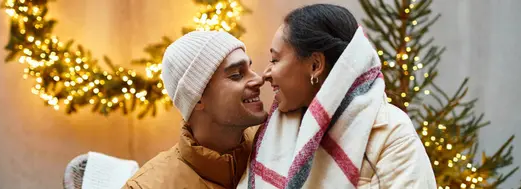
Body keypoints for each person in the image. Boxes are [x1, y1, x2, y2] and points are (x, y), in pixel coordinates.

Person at [238, 4, 436, 189]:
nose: (265, 73)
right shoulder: (272, 132)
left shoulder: (393, 134)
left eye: (275, 59)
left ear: (315, 65)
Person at [123, 31, 267, 189]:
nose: (259, 80)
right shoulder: (145, 187)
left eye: (250, 68)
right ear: (197, 97)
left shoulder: (273, 145)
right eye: (236, 75)